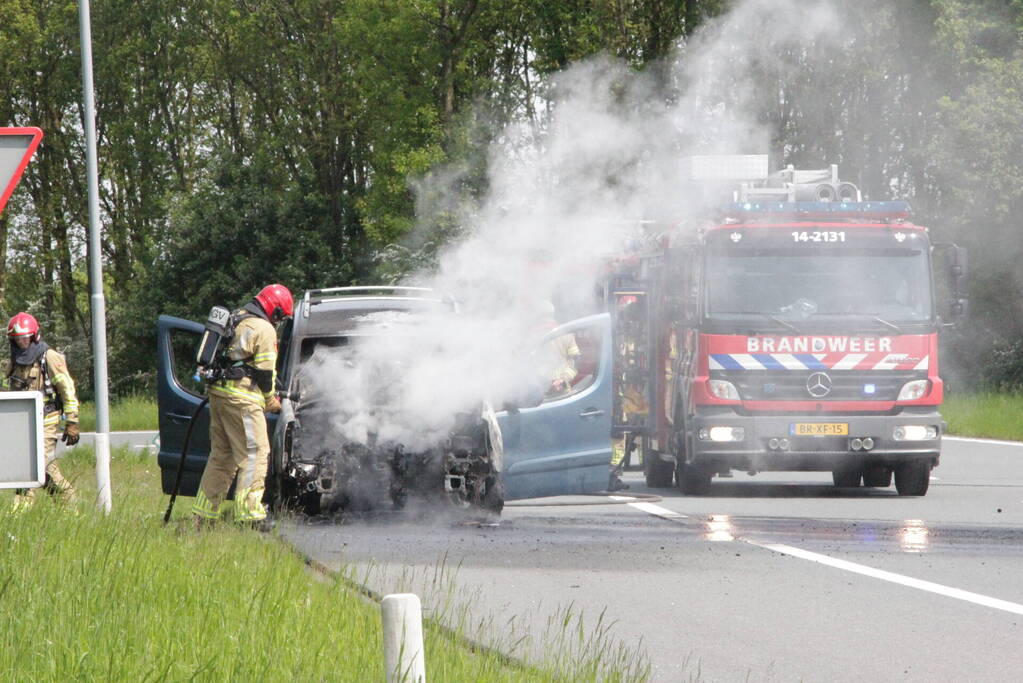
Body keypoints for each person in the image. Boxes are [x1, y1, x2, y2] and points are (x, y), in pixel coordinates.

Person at [192, 284, 292, 528]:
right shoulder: (264, 329)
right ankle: (251, 515)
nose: (279, 322)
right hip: (243, 401)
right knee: (255, 454)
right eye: (281, 317)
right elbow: (265, 373)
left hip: (219, 395)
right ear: (275, 311)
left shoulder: (236, 318)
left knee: (221, 457)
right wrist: (270, 400)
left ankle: (204, 516)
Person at [6, 313, 80, 508]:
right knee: (40, 467)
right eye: (17, 338)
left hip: (46, 421)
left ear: (34, 336)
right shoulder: (14, 360)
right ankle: (69, 507)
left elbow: (67, 389)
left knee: (34, 465)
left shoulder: (50, 357)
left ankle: (19, 513)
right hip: (22, 425)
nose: (21, 342)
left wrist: (72, 421)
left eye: (25, 337)